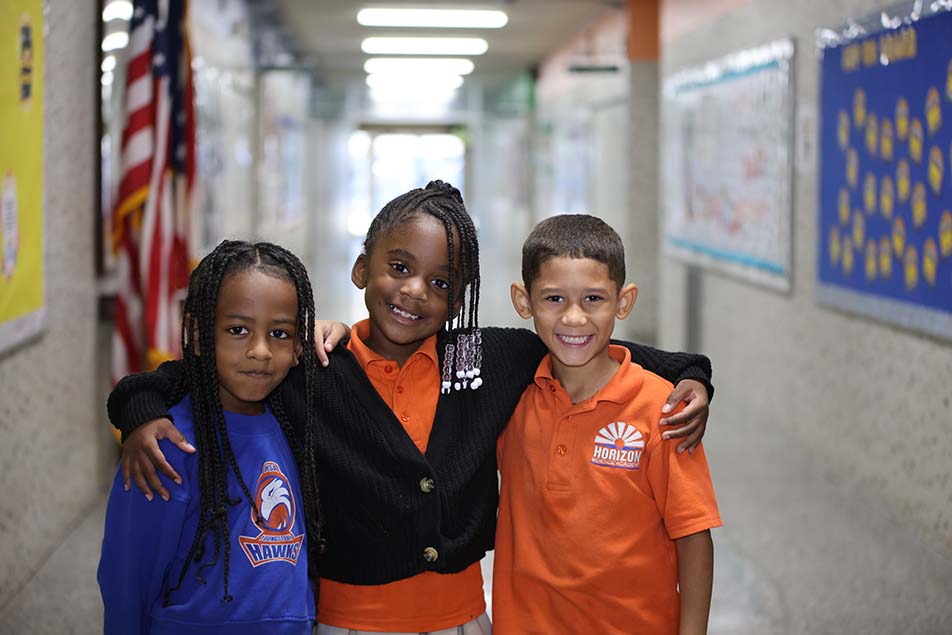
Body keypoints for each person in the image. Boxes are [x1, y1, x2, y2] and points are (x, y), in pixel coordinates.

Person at [106, 181, 715, 635]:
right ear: (361, 267)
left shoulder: (482, 359)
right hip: (346, 621)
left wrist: (691, 373)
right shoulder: (312, 367)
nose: (415, 291)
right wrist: (138, 406)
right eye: (399, 268)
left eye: (443, 281)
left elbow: (583, 341)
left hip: (463, 619)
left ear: (462, 296)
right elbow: (195, 372)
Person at [493, 214, 721, 634]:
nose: (574, 318)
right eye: (554, 299)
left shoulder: (663, 409)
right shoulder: (511, 397)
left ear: (624, 301)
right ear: (523, 302)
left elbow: (693, 537)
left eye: (593, 299)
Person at [97, 240, 321, 634]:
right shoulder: (165, 445)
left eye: (280, 334)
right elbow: (127, 578)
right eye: (238, 330)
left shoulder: (296, 423)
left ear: (299, 344)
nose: (260, 351)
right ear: (199, 336)